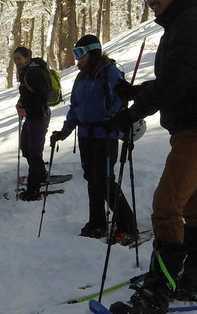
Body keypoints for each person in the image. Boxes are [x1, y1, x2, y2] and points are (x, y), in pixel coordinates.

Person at [108, 0, 197, 314]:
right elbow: (177, 78)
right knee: (193, 204)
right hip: (195, 126)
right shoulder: (182, 23)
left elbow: (178, 82)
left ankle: (159, 292)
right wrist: (137, 92)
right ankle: (194, 279)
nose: (150, 0)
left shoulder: (191, 21)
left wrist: (132, 113)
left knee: (165, 205)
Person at [50, 35, 139, 241]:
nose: (77, 59)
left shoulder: (109, 72)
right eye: (75, 54)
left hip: (104, 135)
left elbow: (121, 98)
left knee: (105, 180)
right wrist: (64, 132)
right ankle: (97, 223)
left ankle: (128, 226)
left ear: (93, 52)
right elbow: (75, 107)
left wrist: (113, 119)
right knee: (92, 179)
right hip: (85, 135)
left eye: (80, 54)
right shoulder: (82, 77)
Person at [11, 46, 50, 200]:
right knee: (26, 147)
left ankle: (33, 190)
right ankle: (40, 175)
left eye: (18, 58)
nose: (16, 61)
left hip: (39, 116)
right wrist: (21, 103)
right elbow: (28, 93)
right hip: (32, 116)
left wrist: (25, 107)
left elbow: (42, 97)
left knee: (33, 152)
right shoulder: (26, 71)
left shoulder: (34, 72)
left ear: (27, 58)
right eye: (14, 59)